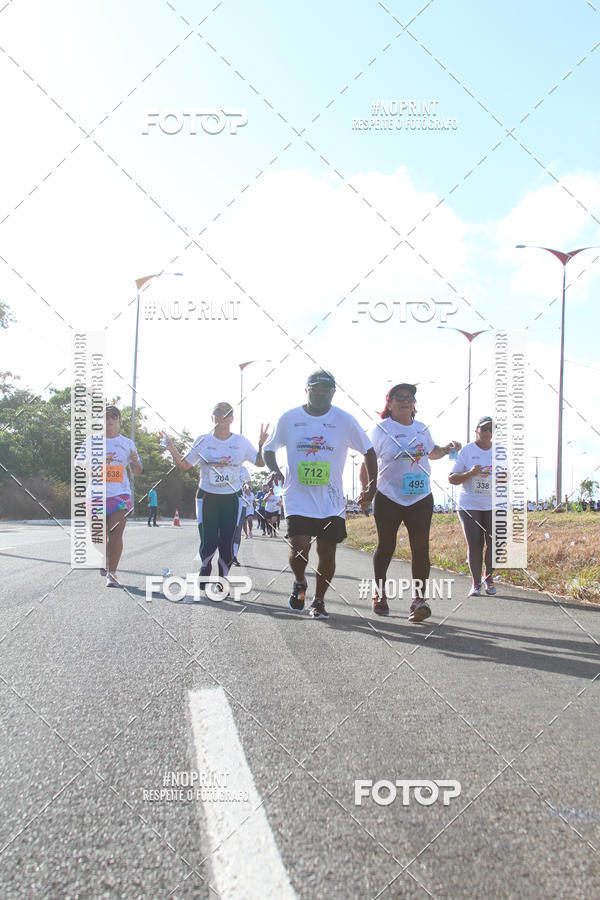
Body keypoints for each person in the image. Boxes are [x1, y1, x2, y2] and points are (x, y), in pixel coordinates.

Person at [263, 370, 377, 620]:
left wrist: (372, 486)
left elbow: (368, 450)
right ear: (306, 390)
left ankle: (319, 600)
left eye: (326, 390)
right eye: (316, 389)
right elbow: (268, 448)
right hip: (297, 496)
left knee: (327, 551)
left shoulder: (344, 420)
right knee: (300, 548)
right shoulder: (290, 418)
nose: (321, 393)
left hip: (331, 500)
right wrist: (274, 471)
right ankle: (300, 581)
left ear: (333, 392)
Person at [361, 383, 461, 621]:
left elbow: (430, 451)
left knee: (420, 547)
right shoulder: (381, 429)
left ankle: (419, 600)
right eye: (400, 397)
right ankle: (380, 594)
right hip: (389, 496)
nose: (406, 401)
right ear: (390, 403)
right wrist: (367, 492)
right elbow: (367, 462)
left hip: (420, 497)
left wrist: (446, 450)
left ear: (414, 404)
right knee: (386, 546)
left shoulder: (421, 428)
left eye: (410, 397)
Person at [163, 403, 268, 588]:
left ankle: (223, 579)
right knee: (209, 539)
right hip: (207, 497)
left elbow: (259, 463)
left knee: (227, 542)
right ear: (212, 417)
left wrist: (261, 445)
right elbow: (185, 464)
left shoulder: (241, 442)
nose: (221, 416)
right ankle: (205, 567)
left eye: (226, 413)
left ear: (231, 419)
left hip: (232, 498)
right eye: (217, 413)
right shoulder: (203, 441)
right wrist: (172, 448)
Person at [76, 405, 143, 588]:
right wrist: (92, 467)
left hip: (120, 494)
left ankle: (112, 573)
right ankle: (104, 559)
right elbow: (79, 465)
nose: (110, 420)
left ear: (119, 420)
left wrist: (135, 460)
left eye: (114, 416)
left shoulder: (127, 443)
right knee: (98, 534)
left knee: (116, 531)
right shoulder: (91, 441)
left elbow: (137, 471)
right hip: (96, 494)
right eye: (106, 417)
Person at [448, 415, 496, 597]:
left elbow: (506, 475)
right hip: (470, 504)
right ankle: (476, 582)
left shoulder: (499, 451)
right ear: (476, 431)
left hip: (493, 504)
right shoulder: (467, 451)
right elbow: (452, 478)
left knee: (494, 543)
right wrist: (470, 473)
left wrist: (501, 477)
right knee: (476, 544)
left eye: (491, 429)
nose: (487, 432)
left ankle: (488, 577)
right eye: (484, 429)